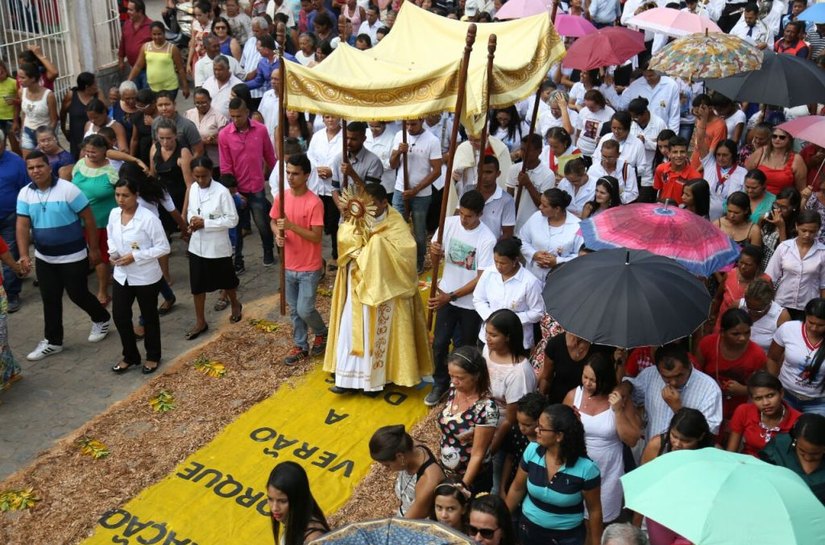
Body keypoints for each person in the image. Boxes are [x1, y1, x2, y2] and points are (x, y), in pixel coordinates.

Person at [323, 183, 433, 392]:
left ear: (384, 203)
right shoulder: (356, 216)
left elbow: (406, 253)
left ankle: (375, 383)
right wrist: (355, 247)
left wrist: (374, 247)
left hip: (384, 289)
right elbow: (344, 237)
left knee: (376, 334)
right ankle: (347, 379)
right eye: (365, 203)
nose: (368, 209)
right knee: (351, 327)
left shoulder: (396, 222)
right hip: (357, 283)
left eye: (372, 204)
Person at [17, 151, 111, 360]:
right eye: (31, 168)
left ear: (49, 167)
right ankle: (53, 341)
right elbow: (22, 225)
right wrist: (24, 254)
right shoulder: (24, 193)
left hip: (73, 255)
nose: (36, 171)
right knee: (49, 299)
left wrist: (94, 249)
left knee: (77, 294)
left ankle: (101, 318)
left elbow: (89, 219)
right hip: (44, 257)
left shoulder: (68, 189)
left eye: (39, 166)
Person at [426, 190, 497, 406]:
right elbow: (436, 258)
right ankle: (440, 382)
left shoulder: (487, 239)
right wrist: (434, 252)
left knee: (465, 348)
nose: (464, 220)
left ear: (480, 214)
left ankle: (460, 386)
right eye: (462, 214)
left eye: (469, 216)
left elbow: (480, 278)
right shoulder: (448, 224)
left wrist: (452, 296)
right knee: (439, 343)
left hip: (470, 304)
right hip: (446, 294)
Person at [505, 404, 603, 545]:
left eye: (541, 428)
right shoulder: (532, 450)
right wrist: (501, 520)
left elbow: (594, 511)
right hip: (528, 530)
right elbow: (517, 488)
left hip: (566, 538)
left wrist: (596, 542)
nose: (536, 430)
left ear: (559, 436)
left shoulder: (587, 469)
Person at [564, 353, 641, 524]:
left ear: (605, 379)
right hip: (578, 465)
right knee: (577, 518)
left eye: (593, 380)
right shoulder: (573, 396)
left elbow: (632, 440)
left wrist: (618, 411)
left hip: (609, 469)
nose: (587, 383)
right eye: (585, 377)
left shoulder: (619, 399)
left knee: (602, 518)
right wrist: (573, 424)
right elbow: (560, 430)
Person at [107, 177, 170, 375]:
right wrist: (113, 253)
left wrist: (136, 256)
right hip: (122, 275)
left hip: (145, 276)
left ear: (136, 195)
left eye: (125, 195)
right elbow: (110, 236)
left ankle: (153, 356)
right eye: (117, 195)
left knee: (149, 316)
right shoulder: (114, 214)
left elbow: (163, 247)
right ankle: (130, 355)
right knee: (120, 315)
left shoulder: (148, 218)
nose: (120, 199)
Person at [271, 153, 328, 365]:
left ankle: (321, 332)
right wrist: (277, 234)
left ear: (306, 175)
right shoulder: (281, 197)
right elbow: (273, 221)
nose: (290, 177)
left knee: (305, 309)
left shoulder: (315, 203)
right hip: (288, 264)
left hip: (309, 267)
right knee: (295, 310)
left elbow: (316, 236)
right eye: (287, 173)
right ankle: (301, 345)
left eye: (295, 173)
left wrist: (291, 227)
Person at [183, 156, 243, 340]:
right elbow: (191, 211)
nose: (201, 180)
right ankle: (200, 321)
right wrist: (192, 221)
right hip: (197, 246)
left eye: (204, 176)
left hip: (217, 246)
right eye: (197, 176)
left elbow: (232, 220)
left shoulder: (222, 192)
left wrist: (206, 223)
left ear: (211, 173)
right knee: (197, 286)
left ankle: (235, 303)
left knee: (227, 281)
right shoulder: (193, 189)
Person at [637, 408, 714, 545]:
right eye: (674, 436)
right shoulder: (657, 446)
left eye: (686, 440)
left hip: (690, 520)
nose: (677, 444)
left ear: (700, 437)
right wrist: (635, 528)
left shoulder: (711, 457)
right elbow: (642, 488)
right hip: (656, 515)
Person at [618, 345, 723, 439]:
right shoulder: (650, 375)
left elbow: (708, 433)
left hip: (687, 454)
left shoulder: (709, 388)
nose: (673, 382)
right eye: (666, 378)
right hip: (653, 451)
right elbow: (633, 390)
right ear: (658, 370)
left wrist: (678, 410)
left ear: (689, 365)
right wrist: (625, 387)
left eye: (679, 375)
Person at [220, 97, 277, 270]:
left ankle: (268, 250)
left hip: (257, 187)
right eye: (232, 116)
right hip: (237, 189)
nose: (235, 120)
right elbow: (225, 166)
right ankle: (238, 260)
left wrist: (277, 180)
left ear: (247, 113)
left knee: (262, 223)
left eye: (239, 116)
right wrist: (234, 192)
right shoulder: (224, 135)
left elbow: (270, 156)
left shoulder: (261, 130)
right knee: (236, 227)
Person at [437, 346, 500, 492]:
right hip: (447, 469)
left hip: (471, 478)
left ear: (476, 376)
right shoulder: (454, 390)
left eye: (460, 378)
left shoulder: (487, 408)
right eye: (451, 375)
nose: (454, 381)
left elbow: (478, 454)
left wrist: (462, 488)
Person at [697, 308, 767, 433]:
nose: (743, 338)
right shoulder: (707, 344)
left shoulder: (758, 355)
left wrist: (744, 390)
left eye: (747, 332)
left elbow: (763, 387)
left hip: (737, 411)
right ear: (722, 332)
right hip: (707, 404)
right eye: (736, 334)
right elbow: (696, 375)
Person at [482, 309, 538, 458]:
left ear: (508, 337)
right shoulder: (487, 351)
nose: (487, 339)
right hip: (483, 418)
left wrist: (491, 450)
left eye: (493, 335)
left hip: (502, 432)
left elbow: (510, 419)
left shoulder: (519, 372)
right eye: (487, 333)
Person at [389, 118, 443, 273]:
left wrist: (416, 189)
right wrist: (398, 152)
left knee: (419, 231)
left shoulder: (432, 140)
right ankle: (398, 259)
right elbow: (392, 164)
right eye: (407, 124)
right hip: (400, 190)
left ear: (422, 121)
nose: (409, 127)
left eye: (413, 124)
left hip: (421, 195)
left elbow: (437, 171)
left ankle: (419, 261)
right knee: (397, 227)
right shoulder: (399, 135)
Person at [72, 135, 119, 306]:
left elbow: (121, 193)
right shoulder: (80, 164)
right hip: (79, 220)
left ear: (104, 150)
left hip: (101, 222)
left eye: (94, 152)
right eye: (87, 151)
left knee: (99, 256)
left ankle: (102, 291)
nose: (90, 155)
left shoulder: (111, 170)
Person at [473, 237, 545, 350]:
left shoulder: (530, 282)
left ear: (515, 260)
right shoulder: (489, 273)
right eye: (496, 261)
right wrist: (492, 318)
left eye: (503, 263)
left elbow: (538, 312)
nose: (498, 266)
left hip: (516, 341)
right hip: (488, 339)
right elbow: (478, 299)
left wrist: (510, 321)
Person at [368, 424, 446, 518]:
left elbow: (408, 521)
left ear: (400, 456)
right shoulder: (405, 445)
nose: (386, 469)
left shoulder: (428, 480)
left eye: (387, 465)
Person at [767, 297, 825, 415]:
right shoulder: (788, 329)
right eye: (811, 322)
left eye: (821, 325)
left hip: (818, 402)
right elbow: (772, 358)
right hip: (785, 394)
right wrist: (773, 384)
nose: (814, 328)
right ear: (805, 316)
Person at [765, 211, 825, 320]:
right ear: (797, 226)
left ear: (818, 230)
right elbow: (769, 277)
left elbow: (823, 285)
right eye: (804, 230)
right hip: (781, 304)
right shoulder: (784, 247)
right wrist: (769, 301)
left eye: (812, 231)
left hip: (809, 307)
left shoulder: (822, 252)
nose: (807, 235)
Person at [727, 370, 801, 456]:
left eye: (770, 395)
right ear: (752, 399)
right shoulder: (744, 411)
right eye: (758, 398)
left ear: (781, 393)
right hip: (747, 462)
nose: (766, 403)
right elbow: (730, 453)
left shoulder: (798, 420)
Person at [519, 188, 584, 286]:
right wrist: (534, 254)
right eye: (541, 203)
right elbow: (522, 240)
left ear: (557, 209)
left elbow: (581, 256)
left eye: (545, 206)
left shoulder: (577, 226)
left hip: (560, 281)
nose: (540, 207)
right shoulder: (536, 217)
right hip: (532, 277)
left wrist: (557, 261)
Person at [760, 413, 825, 503]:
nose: (808, 458)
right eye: (802, 451)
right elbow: (763, 482)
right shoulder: (777, 448)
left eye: (815, 454)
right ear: (795, 439)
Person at [265, 461, 329, 545]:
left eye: (282, 501)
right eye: (270, 499)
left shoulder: (313, 538)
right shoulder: (294, 523)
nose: (274, 508)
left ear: (298, 499)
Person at [0, 131, 28, 313]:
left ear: (3, 143)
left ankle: (11, 294)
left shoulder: (16, 162)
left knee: (9, 255)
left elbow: (25, 189)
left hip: (9, 216)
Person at [506, 134, 556, 232]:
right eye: (522, 149)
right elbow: (509, 197)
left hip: (534, 224)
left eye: (528, 150)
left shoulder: (548, 175)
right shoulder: (514, 169)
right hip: (513, 221)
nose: (524, 153)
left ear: (539, 151)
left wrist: (528, 184)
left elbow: (543, 204)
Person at [128, 22, 190, 100]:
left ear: (164, 33)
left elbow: (180, 69)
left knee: (166, 107)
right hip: (151, 88)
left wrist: (185, 86)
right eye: (154, 34)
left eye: (159, 34)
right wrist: (128, 82)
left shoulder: (172, 48)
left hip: (170, 88)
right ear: (151, 34)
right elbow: (138, 66)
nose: (157, 37)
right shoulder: (146, 47)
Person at [711, 245, 770, 328]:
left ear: (757, 266)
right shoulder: (729, 274)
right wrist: (713, 316)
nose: (743, 267)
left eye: (748, 264)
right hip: (724, 324)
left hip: (750, 328)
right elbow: (718, 298)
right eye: (741, 262)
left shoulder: (765, 281)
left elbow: (768, 306)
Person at [501, 392, 545, 498]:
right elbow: (509, 458)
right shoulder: (515, 432)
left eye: (527, 425)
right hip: (514, 483)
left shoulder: (545, 440)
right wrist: (502, 486)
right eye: (519, 422)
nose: (521, 428)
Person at [745, 127, 807, 195]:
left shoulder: (797, 159)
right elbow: (747, 172)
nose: (777, 139)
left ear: (789, 139)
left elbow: (801, 189)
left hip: (782, 200)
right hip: (757, 196)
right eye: (774, 136)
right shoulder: (761, 151)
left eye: (782, 137)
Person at [698, 137, 747, 221]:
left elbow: (743, 199)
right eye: (718, 154)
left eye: (725, 155)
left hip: (729, 219)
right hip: (704, 216)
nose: (720, 158)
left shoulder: (743, 173)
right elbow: (700, 139)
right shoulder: (710, 164)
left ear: (733, 155)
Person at [60, 72, 105, 160]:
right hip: (76, 137)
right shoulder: (71, 95)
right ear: (87, 87)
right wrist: (64, 129)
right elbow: (63, 113)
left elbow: (104, 112)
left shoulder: (97, 95)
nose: (97, 86)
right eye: (94, 84)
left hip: (94, 136)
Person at [16, 63, 58, 158]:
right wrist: (22, 132)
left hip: (44, 133)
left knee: (46, 161)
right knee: (28, 161)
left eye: (23, 78)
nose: (19, 80)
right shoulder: (21, 92)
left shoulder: (49, 95)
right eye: (19, 77)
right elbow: (24, 114)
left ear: (33, 78)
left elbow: (54, 120)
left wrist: (47, 137)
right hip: (27, 132)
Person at [740, 278, 791, 353]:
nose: (752, 312)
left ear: (769, 303)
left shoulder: (781, 317)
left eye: (758, 310)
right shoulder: (738, 306)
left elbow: (782, 351)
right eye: (748, 307)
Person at [185, 88, 229, 166]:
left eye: (204, 102)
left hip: (214, 161)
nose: (200, 106)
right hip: (194, 160)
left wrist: (211, 141)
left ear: (210, 100)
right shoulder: (189, 114)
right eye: (197, 103)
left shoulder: (219, 117)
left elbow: (226, 140)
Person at [587, 141, 638, 205]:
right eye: (604, 156)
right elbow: (588, 191)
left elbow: (633, 193)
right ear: (600, 152)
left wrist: (614, 200)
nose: (606, 160)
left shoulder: (627, 169)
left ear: (618, 155)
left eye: (610, 157)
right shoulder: (593, 169)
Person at [653, 136, 700, 205]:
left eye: (682, 152)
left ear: (686, 153)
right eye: (675, 152)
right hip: (663, 208)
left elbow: (695, 202)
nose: (679, 155)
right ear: (669, 154)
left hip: (682, 211)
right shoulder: (660, 169)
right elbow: (659, 190)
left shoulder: (695, 177)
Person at [760, 186, 799, 269]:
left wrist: (781, 228)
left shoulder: (797, 227)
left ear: (794, 207)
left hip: (777, 268)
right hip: (760, 266)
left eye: (784, 207)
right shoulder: (767, 218)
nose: (778, 210)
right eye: (777, 205)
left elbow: (785, 254)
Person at [119, 0, 153, 89]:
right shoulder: (127, 24)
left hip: (148, 71)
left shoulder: (151, 26)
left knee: (146, 95)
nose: (128, 12)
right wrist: (121, 60)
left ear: (140, 12)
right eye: (128, 9)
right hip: (133, 69)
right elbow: (123, 43)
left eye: (131, 10)